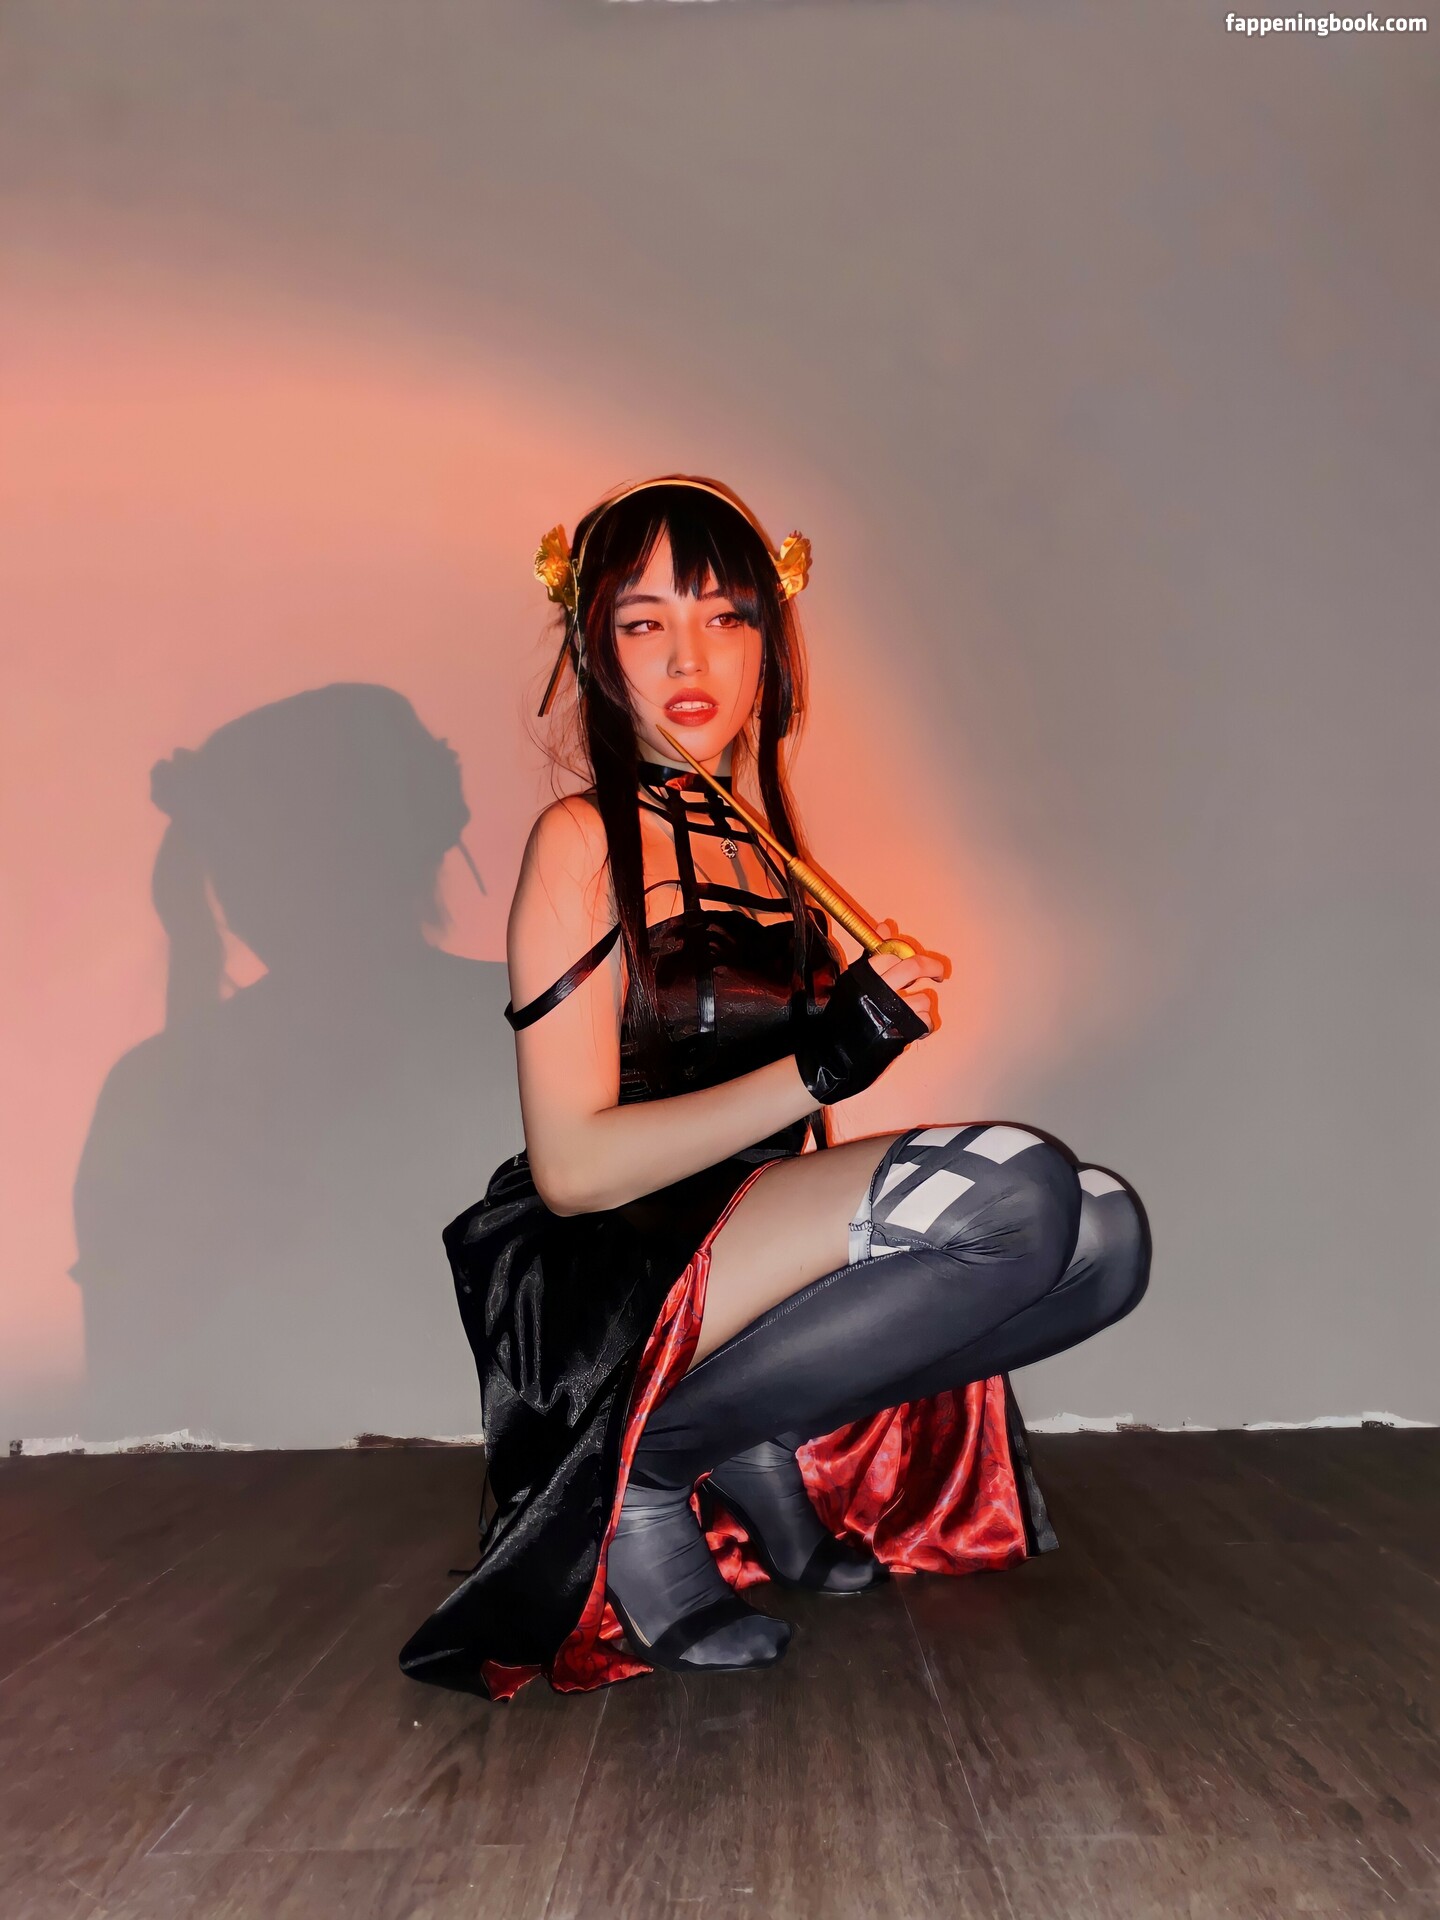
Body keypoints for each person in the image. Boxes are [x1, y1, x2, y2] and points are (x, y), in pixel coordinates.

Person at [399, 476, 1150, 1699]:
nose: (687, 657)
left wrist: (848, 1039)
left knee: (1106, 1237)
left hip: (750, 1228)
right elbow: (574, 1171)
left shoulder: (763, 845)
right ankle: (649, 1472)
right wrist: (822, 1061)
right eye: (643, 622)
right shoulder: (580, 843)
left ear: (770, 640)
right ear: (594, 652)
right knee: (1020, 1193)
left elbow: (788, 1122)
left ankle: (744, 1435)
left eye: (725, 617)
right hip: (622, 1258)